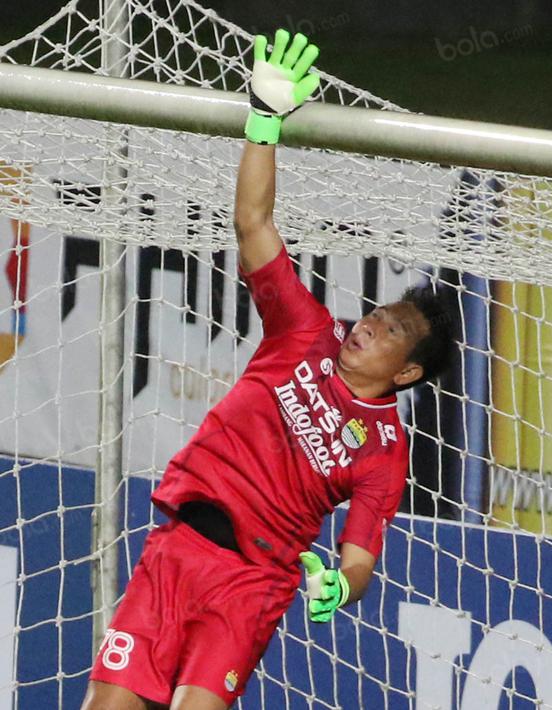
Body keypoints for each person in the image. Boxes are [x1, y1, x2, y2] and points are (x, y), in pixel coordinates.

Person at [81, 30, 453, 710]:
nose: (369, 325)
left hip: (251, 585)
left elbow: (360, 556)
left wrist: (342, 585)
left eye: (391, 331)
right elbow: (252, 224)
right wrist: (263, 120)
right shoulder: (306, 331)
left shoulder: (384, 450)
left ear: (405, 374)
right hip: (177, 550)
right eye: (375, 314)